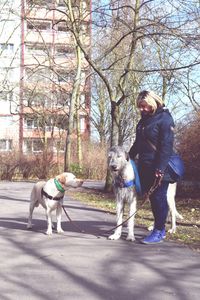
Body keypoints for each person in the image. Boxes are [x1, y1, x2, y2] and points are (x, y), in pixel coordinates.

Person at [129, 90, 175, 244]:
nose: (142, 109)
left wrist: (160, 168)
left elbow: (166, 146)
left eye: (144, 106)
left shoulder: (165, 119)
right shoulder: (143, 121)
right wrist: (127, 157)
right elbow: (138, 143)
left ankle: (159, 231)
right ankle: (159, 228)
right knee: (153, 198)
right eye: (140, 107)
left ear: (153, 103)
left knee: (158, 198)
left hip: (160, 167)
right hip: (145, 165)